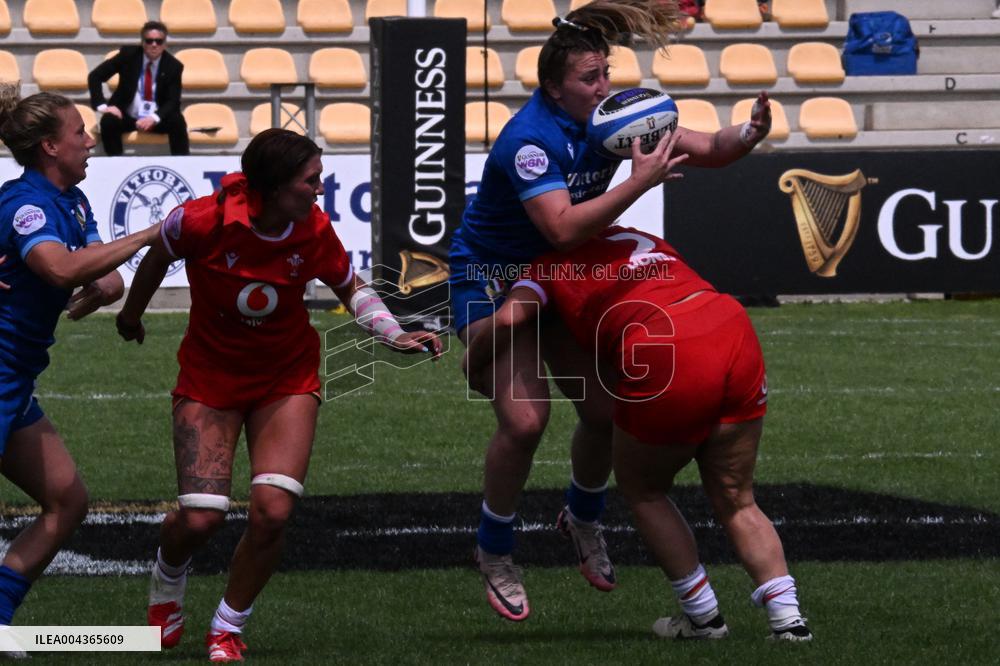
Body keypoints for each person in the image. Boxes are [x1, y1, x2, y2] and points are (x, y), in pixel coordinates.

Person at [449, 0, 772, 622]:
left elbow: (708, 147)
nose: (603, 88)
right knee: (525, 422)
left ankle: (583, 517)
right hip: (494, 275)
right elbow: (563, 228)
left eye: (606, 73)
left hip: (559, 272)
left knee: (604, 413)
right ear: (554, 88)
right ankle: (494, 549)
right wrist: (638, 181)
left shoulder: (614, 116)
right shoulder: (529, 141)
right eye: (589, 78)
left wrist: (749, 133)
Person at [116, 128, 442, 662]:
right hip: (210, 379)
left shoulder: (313, 228)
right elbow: (155, 259)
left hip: (285, 379)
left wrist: (393, 332)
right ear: (272, 187)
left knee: (272, 511)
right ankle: (168, 577)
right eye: (310, 180)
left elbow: (350, 286)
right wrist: (130, 317)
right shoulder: (201, 220)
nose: (320, 189)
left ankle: (227, 627)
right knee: (201, 516)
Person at [464, 225, 813, 642]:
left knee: (645, 491)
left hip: (666, 345)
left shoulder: (546, 265)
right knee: (738, 498)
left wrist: (473, 362)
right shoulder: (634, 235)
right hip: (730, 326)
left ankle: (703, 618)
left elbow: (508, 318)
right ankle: (788, 620)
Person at [0, 85, 162, 637]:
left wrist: (107, 283)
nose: (90, 141)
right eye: (79, 132)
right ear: (50, 146)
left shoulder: (73, 199)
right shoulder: (26, 205)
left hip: (15, 381)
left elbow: (102, 275)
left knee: (66, 501)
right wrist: (151, 233)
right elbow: (60, 269)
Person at [87, 20, 189, 156]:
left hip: (155, 117)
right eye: (149, 41)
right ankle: (116, 164)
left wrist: (153, 118)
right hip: (127, 115)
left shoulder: (174, 66)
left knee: (178, 122)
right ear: (143, 42)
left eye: (159, 41)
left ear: (165, 44)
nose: (154, 45)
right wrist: (103, 106)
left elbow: (173, 101)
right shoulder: (128, 55)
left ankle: (182, 164)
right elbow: (95, 76)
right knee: (108, 121)